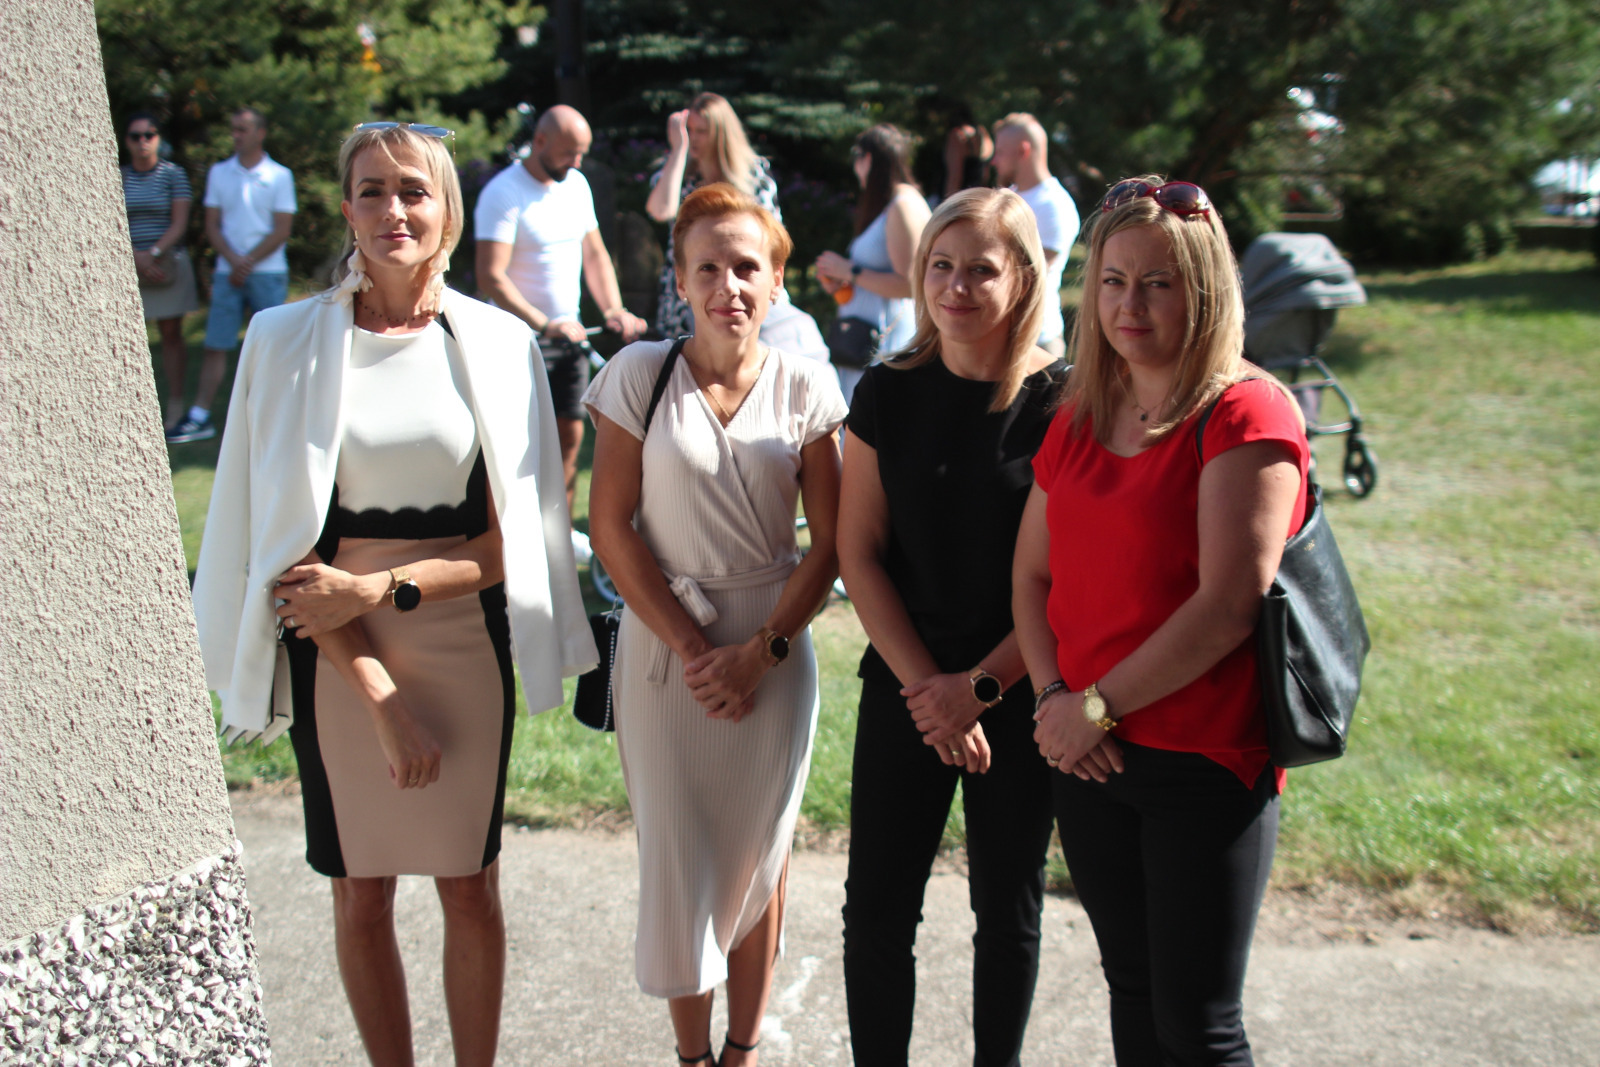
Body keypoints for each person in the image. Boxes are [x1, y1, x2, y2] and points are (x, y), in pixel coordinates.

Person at [192, 123, 595, 1067]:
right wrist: (380, 699)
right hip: (336, 654)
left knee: (470, 885)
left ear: (447, 210)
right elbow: (284, 557)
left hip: (459, 637)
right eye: (371, 190)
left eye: (413, 190)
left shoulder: (498, 344)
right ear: (345, 208)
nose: (393, 210)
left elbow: (514, 542)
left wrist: (378, 584)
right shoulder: (281, 341)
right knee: (360, 891)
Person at [1012, 176, 1309, 1067]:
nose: (1128, 304)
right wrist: (1056, 699)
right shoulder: (1080, 414)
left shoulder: (1246, 412)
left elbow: (1227, 605)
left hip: (1200, 758)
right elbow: (1030, 575)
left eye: (1157, 283)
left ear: (1204, 290)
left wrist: (1092, 706)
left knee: (1198, 1024)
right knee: (1133, 989)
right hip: (1090, 753)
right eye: (1112, 280)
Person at [583, 183, 846, 1067]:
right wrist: (699, 652)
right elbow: (610, 526)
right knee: (680, 859)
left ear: (776, 280)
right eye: (708, 267)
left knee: (760, 858)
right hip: (669, 655)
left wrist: (760, 653)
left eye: (746, 267)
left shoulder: (807, 385)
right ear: (681, 280)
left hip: (775, 647)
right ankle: (692, 1058)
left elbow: (831, 543)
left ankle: (744, 1051)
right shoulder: (637, 374)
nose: (728, 285)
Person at [837, 187, 1064, 1067]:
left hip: (1021, 690)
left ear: (1023, 278)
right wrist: (931, 694)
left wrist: (978, 689)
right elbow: (858, 552)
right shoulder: (887, 391)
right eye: (940, 265)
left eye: (980, 269)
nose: (956, 287)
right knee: (877, 914)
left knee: (1007, 911)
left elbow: (1063, 578)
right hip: (906, 685)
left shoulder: (1062, 402)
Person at [474, 103, 647, 551]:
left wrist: (613, 309)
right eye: (570, 152)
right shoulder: (503, 192)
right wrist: (543, 323)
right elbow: (491, 276)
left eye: (582, 153)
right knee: (513, 446)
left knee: (570, 435)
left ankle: (560, 537)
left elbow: (595, 255)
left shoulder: (576, 186)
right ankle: (504, 540)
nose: (576, 162)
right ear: (540, 142)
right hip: (516, 341)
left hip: (568, 338)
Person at [173, 107, 296, 444]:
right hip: (228, 274)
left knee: (272, 346)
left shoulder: (280, 175)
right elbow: (212, 224)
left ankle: (277, 415)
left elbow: (282, 229)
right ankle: (199, 417)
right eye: (234, 129)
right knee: (216, 343)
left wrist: (248, 262)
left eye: (243, 129)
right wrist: (233, 261)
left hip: (268, 273)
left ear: (260, 133)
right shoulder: (219, 172)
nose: (236, 135)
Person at [645, 92, 783, 338]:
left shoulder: (754, 176)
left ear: (721, 134)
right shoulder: (679, 174)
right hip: (687, 292)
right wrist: (678, 150)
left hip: (740, 288)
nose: (694, 138)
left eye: (702, 131)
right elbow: (661, 210)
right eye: (689, 130)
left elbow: (771, 241)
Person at [815, 124, 931, 404]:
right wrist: (842, 280)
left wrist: (850, 271)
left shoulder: (902, 204)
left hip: (887, 342)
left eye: (856, 158)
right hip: (868, 343)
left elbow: (911, 285)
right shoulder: (894, 203)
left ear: (867, 159)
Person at [120, 111, 201, 432]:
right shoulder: (118, 177)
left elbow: (180, 222)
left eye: (149, 135)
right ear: (126, 141)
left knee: (171, 334)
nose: (142, 141)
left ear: (159, 139)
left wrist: (152, 255)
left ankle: (175, 405)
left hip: (166, 265)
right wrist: (134, 258)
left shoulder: (173, 174)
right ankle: (131, 407)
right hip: (126, 266)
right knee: (126, 340)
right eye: (135, 136)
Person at [992, 113, 1081, 359]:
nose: (994, 160)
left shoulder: (1054, 205)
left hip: (1037, 340)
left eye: (1000, 152)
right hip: (1000, 336)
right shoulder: (1007, 197)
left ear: (1023, 150)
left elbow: (1029, 273)